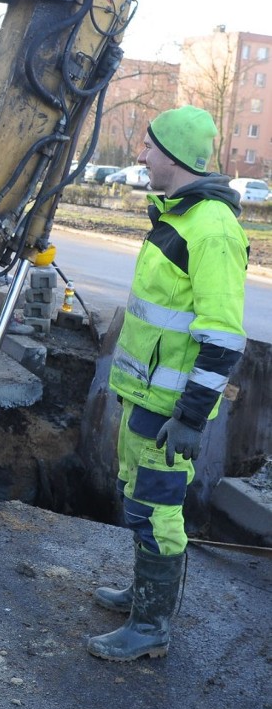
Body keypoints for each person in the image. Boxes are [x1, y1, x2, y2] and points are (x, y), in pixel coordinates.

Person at [87, 105, 248, 662]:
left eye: (149, 147)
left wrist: (191, 417)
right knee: (140, 500)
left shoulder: (211, 228)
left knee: (159, 510)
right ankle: (143, 596)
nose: (140, 155)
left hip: (168, 409)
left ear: (175, 156)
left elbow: (224, 336)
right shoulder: (179, 218)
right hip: (146, 400)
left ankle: (152, 626)